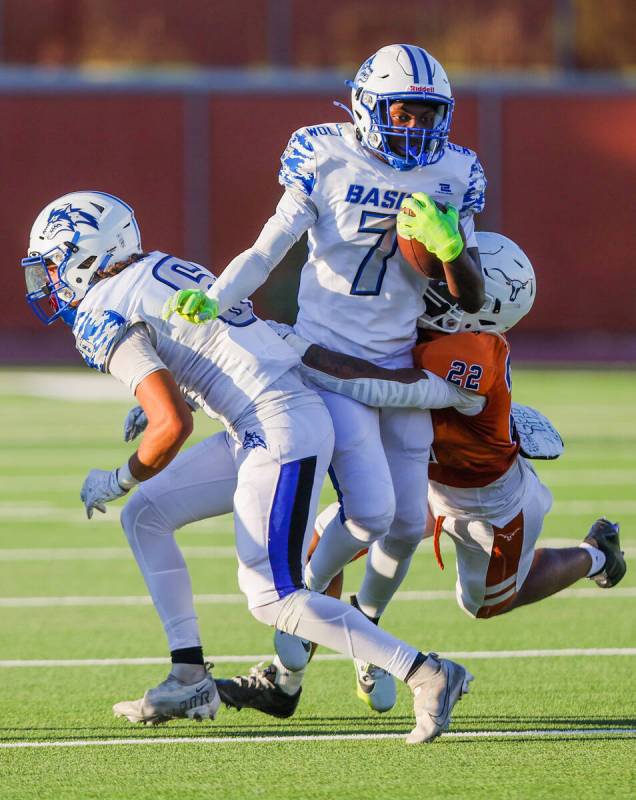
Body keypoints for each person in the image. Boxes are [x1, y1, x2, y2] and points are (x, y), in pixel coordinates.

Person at [22, 189, 478, 744]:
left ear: (85, 254)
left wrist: (119, 477)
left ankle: (426, 672)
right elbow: (223, 346)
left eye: (51, 262)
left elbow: (170, 427)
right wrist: (179, 394)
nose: (47, 278)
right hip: (270, 415)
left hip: (278, 425)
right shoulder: (163, 265)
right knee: (145, 516)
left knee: (271, 598)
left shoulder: (100, 308)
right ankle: (189, 674)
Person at [163, 43, 487, 706]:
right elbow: (268, 245)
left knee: (405, 525)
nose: (416, 128)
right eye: (404, 111)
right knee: (371, 515)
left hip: (402, 365)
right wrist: (219, 297)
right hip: (328, 363)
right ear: (369, 106)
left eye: (429, 115)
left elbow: (472, 297)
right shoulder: (324, 154)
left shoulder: (454, 173)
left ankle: (363, 628)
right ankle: (306, 601)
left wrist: (453, 248)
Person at [214, 232, 626, 718]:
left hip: (483, 501)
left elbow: (384, 387)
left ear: (479, 311)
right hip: (427, 475)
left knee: (486, 603)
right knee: (335, 531)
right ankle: (286, 682)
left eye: (452, 284)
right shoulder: (436, 328)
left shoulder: (470, 353)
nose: (435, 287)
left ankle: (595, 555)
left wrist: (295, 346)